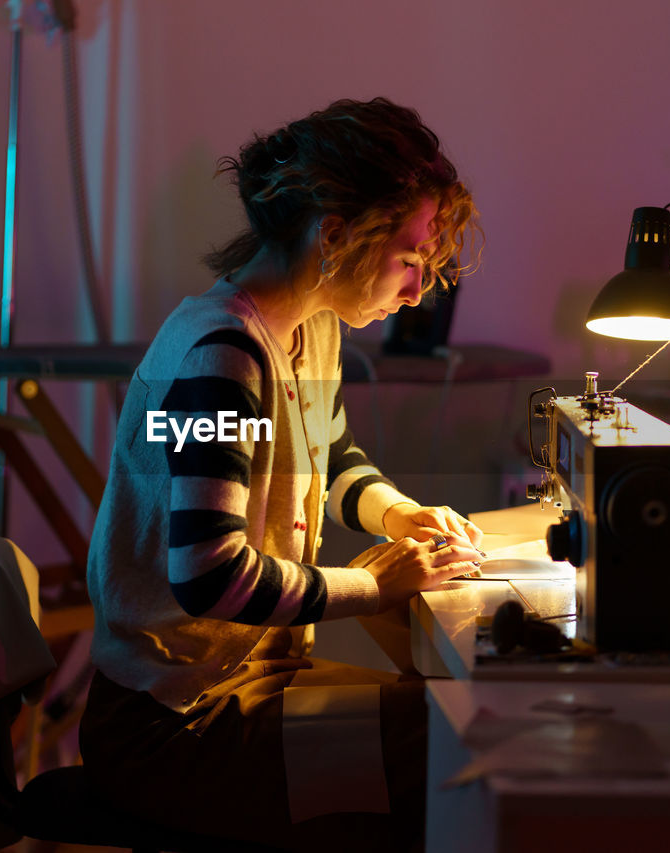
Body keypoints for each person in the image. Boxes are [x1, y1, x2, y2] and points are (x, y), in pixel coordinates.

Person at [79, 97, 484, 852]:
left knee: (449, 720)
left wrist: (400, 516)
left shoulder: (308, 328)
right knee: (454, 745)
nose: (418, 293)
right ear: (334, 235)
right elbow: (207, 575)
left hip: (241, 686)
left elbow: (332, 455)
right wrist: (374, 585)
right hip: (169, 727)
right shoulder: (222, 354)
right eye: (410, 260)